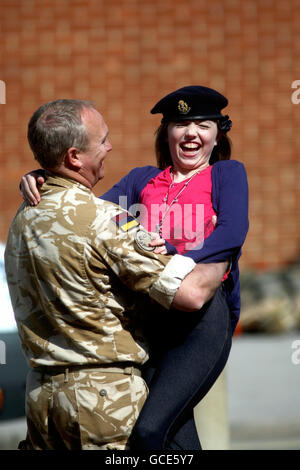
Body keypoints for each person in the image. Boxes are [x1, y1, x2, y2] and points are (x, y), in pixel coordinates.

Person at [20, 86, 249, 450]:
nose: (191, 133)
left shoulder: (226, 174)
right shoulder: (141, 180)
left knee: (148, 432)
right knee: (173, 433)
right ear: (167, 134)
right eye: (180, 125)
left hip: (201, 320)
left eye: (203, 125)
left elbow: (233, 232)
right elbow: (87, 212)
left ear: (217, 134)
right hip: (152, 324)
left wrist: (177, 253)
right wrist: (45, 175)